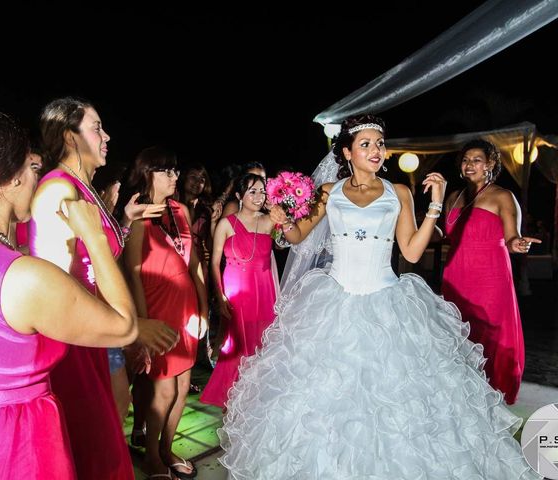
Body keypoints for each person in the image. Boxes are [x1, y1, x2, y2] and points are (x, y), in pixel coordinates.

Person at [218, 114, 540, 479]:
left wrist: (434, 206)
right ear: (347, 152)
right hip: (334, 304)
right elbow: (296, 237)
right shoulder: (329, 192)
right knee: (327, 402)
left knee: (400, 405)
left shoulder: (397, 192)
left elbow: (413, 252)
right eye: (366, 144)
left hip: (388, 303)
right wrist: (282, 219)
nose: (376, 151)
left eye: (380, 143)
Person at [0, 107, 142, 479]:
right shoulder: (20, 278)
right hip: (7, 448)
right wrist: (95, 237)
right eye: (31, 168)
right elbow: (123, 326)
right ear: (8, 179)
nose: (36, 178)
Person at [29, 98, 176, 480]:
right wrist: (130, 327)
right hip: (75, 343)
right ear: (69, 137)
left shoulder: (83, 188)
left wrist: (122, 223)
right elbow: (56, 286)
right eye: (97, 127)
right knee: (91, 447)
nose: (107, 135)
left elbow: (97, 260)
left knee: (112, 426)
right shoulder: (57, 193)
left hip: (100, 335)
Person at [124, 146, 208, 480]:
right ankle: (151, 458)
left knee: (184, 387)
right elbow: (131, 273)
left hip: (186, 309)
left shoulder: (180, 211)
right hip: (157, 311)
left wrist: (203, 308)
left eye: (175, 171)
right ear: (148, 174)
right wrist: (143, 325)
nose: (175, 177)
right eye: (166, 171)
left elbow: (194, 265)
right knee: (164, 389)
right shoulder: (138, 215)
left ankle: (164, 448)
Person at [442, 139, 540, 405]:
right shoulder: (453, 197)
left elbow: (512, 237)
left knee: (490, 332)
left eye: (476, 160)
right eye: (465, 160)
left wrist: (518, 244)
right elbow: (447, 235)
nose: (469, 164)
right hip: (456, 275)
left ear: (490, 164)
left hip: (490, 276)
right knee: (457, 331)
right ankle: (463, 392)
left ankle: (492, 392)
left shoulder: (502, 196)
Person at [200, 173, 276, 408]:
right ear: (239, 195)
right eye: (252, 191)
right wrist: (220, 297)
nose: (258, 196)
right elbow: (214, 263)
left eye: (262, 191)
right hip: (237, 291)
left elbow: (287, 241)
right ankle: (232, 400)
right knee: (238, 344)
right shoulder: (227, 223)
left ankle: (257, 399)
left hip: (265, 290)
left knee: (263, 343)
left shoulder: (271, 221)